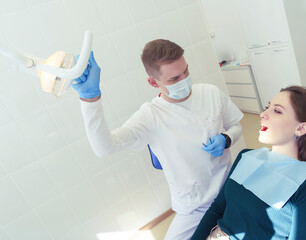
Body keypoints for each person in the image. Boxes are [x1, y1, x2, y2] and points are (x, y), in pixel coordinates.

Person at [72, 39, 244, 239]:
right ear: (154, 82)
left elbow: (236, 125)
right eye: (174, 78)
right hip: (194, 206)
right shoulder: (151, 116)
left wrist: (227, 139)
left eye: (186, 71)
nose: (185, 80)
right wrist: (90, 99)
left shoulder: (210, 92)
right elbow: (105, 148)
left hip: (228, 190)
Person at [191, 86, 306, 240]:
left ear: (301, 128)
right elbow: (217, 209)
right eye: (268, 107)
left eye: (277, 111)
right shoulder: (246, 156)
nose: (263, 114)